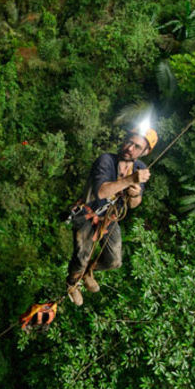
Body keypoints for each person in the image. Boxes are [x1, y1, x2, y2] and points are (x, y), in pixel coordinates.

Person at [66, 127, 157, 306]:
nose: (130, 148)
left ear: (145, 152)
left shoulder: (140, 168)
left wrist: (135, 194)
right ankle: (72, 283)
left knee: (114, 261)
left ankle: (88, 272)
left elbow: (133, 205)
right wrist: (130, 180)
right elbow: (101, 192)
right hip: (87, 214)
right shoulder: (106, 160)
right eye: (129, 142)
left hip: (109, 218)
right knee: (81, 257)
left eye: (137, 147)